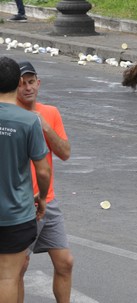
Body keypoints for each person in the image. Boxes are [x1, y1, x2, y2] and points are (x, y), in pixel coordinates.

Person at [16, 61, 73, 303]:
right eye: (21, 84)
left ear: (38, 83)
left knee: (65, 262)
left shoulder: (50, 113)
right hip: (21, 204)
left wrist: (45, 126)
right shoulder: (9, 116)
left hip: (47, 201)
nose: (27, 88)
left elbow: (65, 153)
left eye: (31, 82)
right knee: (18, 266)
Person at [0, 56, 51, 303]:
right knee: (8, 277)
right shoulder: (28, 121)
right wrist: (41, 198)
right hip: (16, 214)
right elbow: (42, 170)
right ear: (19, 82)